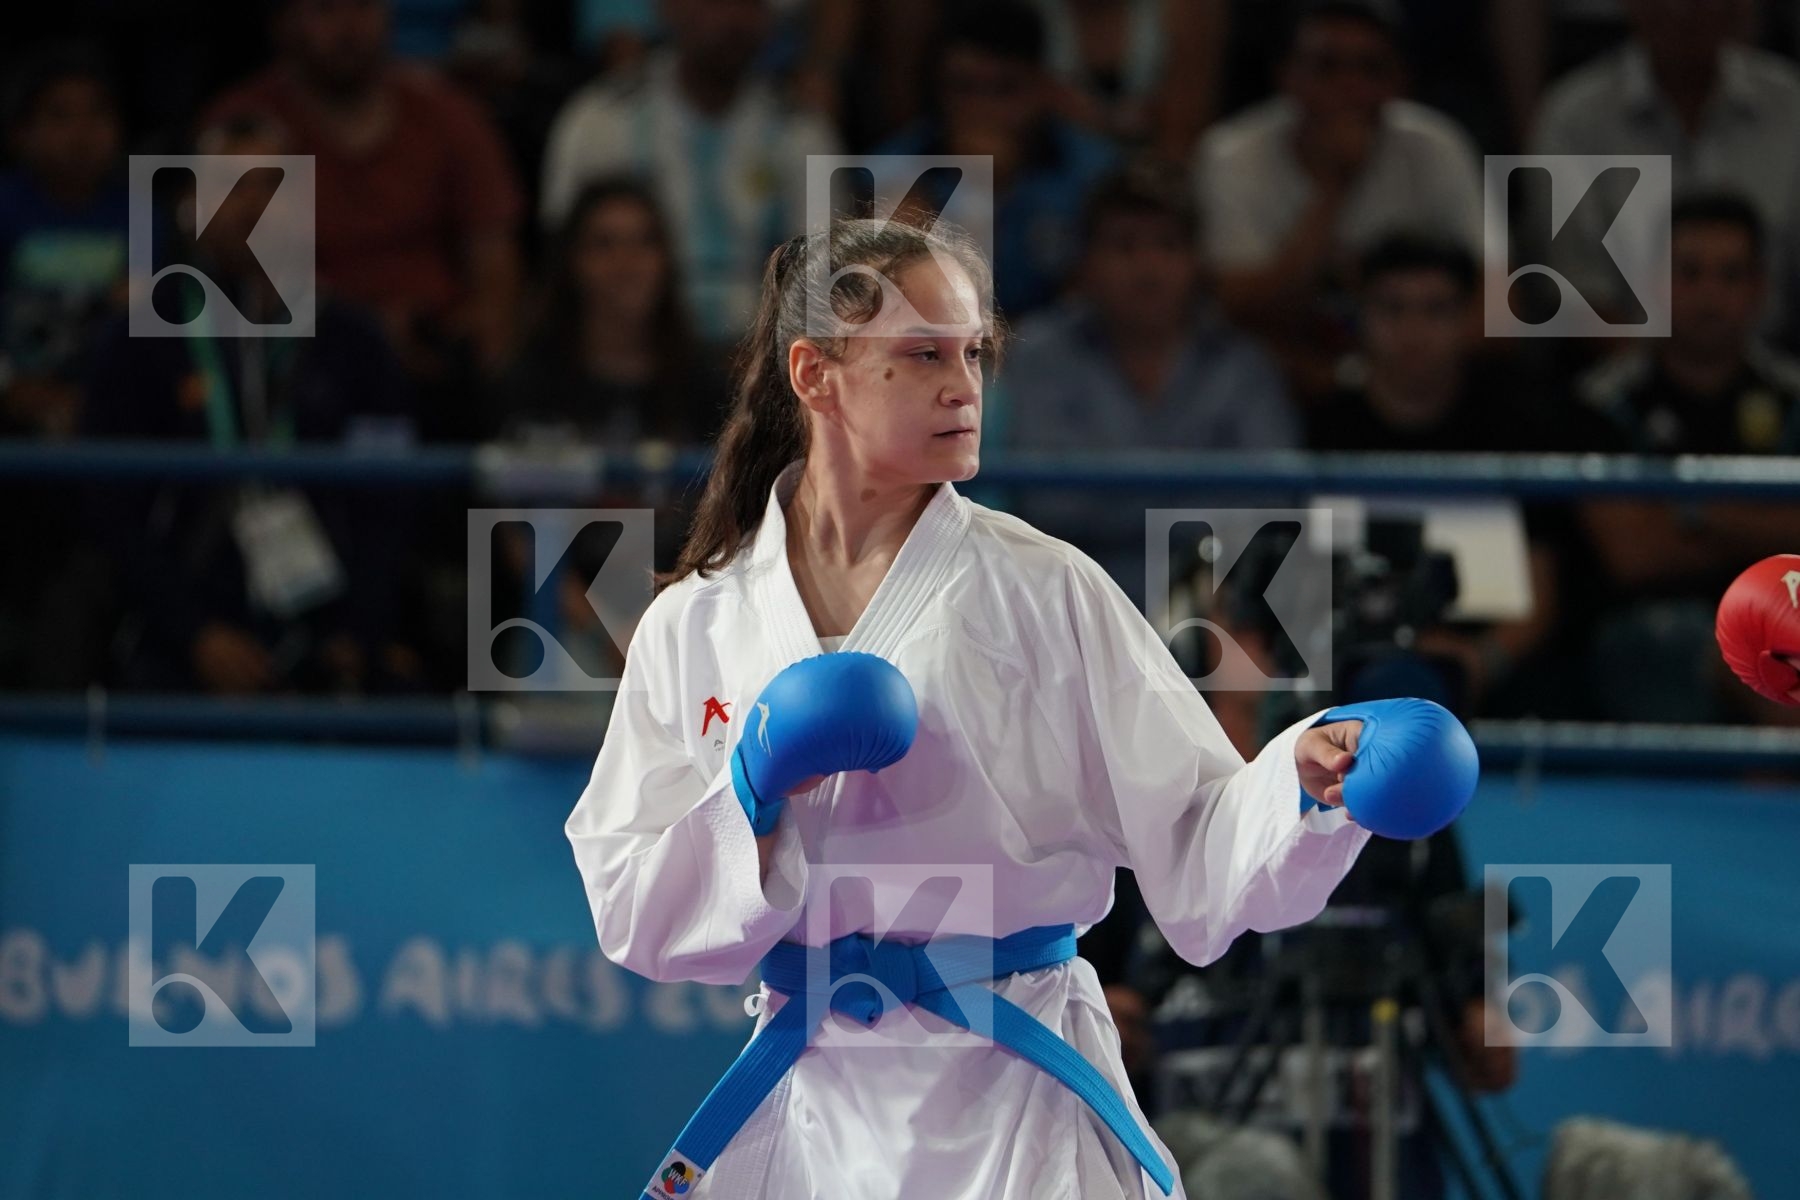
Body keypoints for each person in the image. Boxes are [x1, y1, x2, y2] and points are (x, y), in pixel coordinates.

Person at [564, 216, 1481, 1197]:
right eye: (922, 356)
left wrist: (1305, 782)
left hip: (1015, 1094)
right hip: (815, 1094)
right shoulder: (697, 622)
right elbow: (634, 914)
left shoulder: (1048, 591)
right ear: (815, 374)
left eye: (974, 353)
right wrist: (746, 791)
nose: (964, 387)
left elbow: (1199, 839)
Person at [81, 113, 422, 697]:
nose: (258, 204)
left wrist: (358, 629)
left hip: (329, 630)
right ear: (191, 204)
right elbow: (109, 507)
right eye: (233, 185)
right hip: (178, 635)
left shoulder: (353, 339)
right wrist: (195, 633)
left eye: (274, 184)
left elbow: (390, 500)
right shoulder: (139, 338)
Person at [204, 0, 525, 429]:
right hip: (293, 362)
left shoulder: (451, 117)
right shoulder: (242, 126)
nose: (348, 28)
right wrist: (358, 331)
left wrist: (460, 340)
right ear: (286, 23)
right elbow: (221, 264)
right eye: (326, 10)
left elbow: (496, 267)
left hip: (435, 369)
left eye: (363, 8)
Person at [1000, 159, 1299, 609]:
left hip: (1214, 610)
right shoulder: (1040, 357)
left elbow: (1271, 509)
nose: (1147, 266)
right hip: (1064, 606)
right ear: (1087, 261)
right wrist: (1191, 500)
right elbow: (1048, 507)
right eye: (1125, 245)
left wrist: (1118, 495)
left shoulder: (1243, 367)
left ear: (1197, 261)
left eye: (1168, 245)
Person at [1570, 192, 1800, 724]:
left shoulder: (1793, 398)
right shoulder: (1603, 404)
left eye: (1730, 275)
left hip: (1786, 612)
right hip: (1654, 629)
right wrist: (1770, 526)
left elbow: (1660, 536)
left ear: (1760, 288)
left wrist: (1691, 514)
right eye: (1689, 274)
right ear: (1654, 285)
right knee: (1658, 640)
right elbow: (1635, 555)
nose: (1709, 296)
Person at [1194, 0, 1487, 396]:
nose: (1349, 87)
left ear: (1400, 81)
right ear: (1285, 75)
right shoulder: (1229, 154)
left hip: (1419, 394)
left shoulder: (1438, 146)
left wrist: (1383, 378)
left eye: (1371, 68)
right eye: (1326, 66)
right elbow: (1230, 312)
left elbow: (1502, 309)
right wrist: (1333, 188)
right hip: (1281, 386)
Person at [539, 0, 840, 348]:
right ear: (669, 9)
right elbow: (564, 260)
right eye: (715, 5)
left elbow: (821, 277)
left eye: (752, 6)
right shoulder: (601, 121)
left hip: (762, 357)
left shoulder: (801, 132)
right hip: (630, 350)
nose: (734, 21)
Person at [1529, 0, 1800, 332]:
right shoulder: (1574, 120)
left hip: (1777, 365)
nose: (1682, 9)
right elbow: (1578, 292)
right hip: (1627, 365)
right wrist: (1670, 374)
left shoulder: (1791, 105)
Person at [877, 0, 1120, 321]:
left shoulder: (1097, 174)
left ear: (1042, 89)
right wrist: (979, 191)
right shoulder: (891, 172)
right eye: (965, 87)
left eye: (1003, 89)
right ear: (938, 89)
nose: (982, 107)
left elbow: (1097, 306)